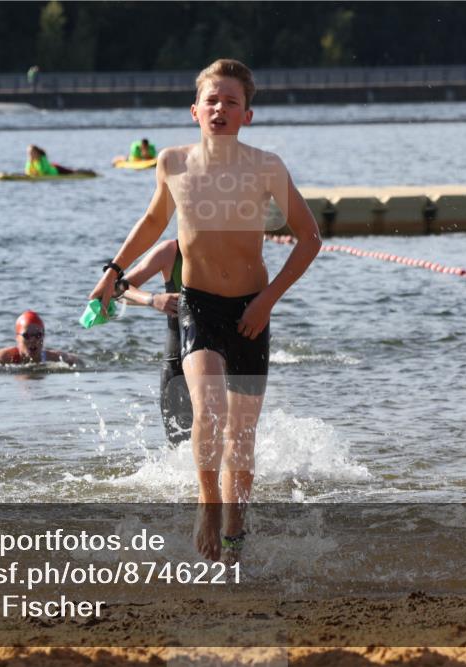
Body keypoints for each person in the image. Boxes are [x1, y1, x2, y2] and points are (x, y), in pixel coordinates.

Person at [88, 59, 321, 561]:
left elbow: (309, 238)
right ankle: (207, 500)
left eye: (231, 101)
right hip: (197, 308)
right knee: (209, 409)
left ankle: (237, 517)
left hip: (250, 309)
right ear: (195, 111)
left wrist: (267, 300)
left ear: (247, 115)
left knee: (241, 432)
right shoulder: (173, 162)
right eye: (211, 100)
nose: (220, 108)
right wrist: (115, 270)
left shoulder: (266, 167)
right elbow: (153, 222)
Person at [115, 239, 192, 444]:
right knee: (179, 445)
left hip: (219, 355)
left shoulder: (226, 245)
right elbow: (117, 291)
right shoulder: (171, 251)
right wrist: (153, 299)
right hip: (176, 358)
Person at [0, 310, 82, 367]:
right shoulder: (3, 358)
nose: (33, 340)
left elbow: (78, 361)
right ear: (17, 338)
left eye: (38, 335)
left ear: (44, 336)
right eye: (26, 336)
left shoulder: (52, 358)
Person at [25, 145, 95, 177]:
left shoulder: (42, 159)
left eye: (31, 153)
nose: (30, 155)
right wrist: (30, 164)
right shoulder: (30, 161)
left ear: (36, 152)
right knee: (72, 171)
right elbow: (27, 171)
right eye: (28, 153)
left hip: (56, 170)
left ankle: (89, 172)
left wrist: (36, 173)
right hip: (52, 169)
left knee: (73, 172)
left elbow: (44, 171)